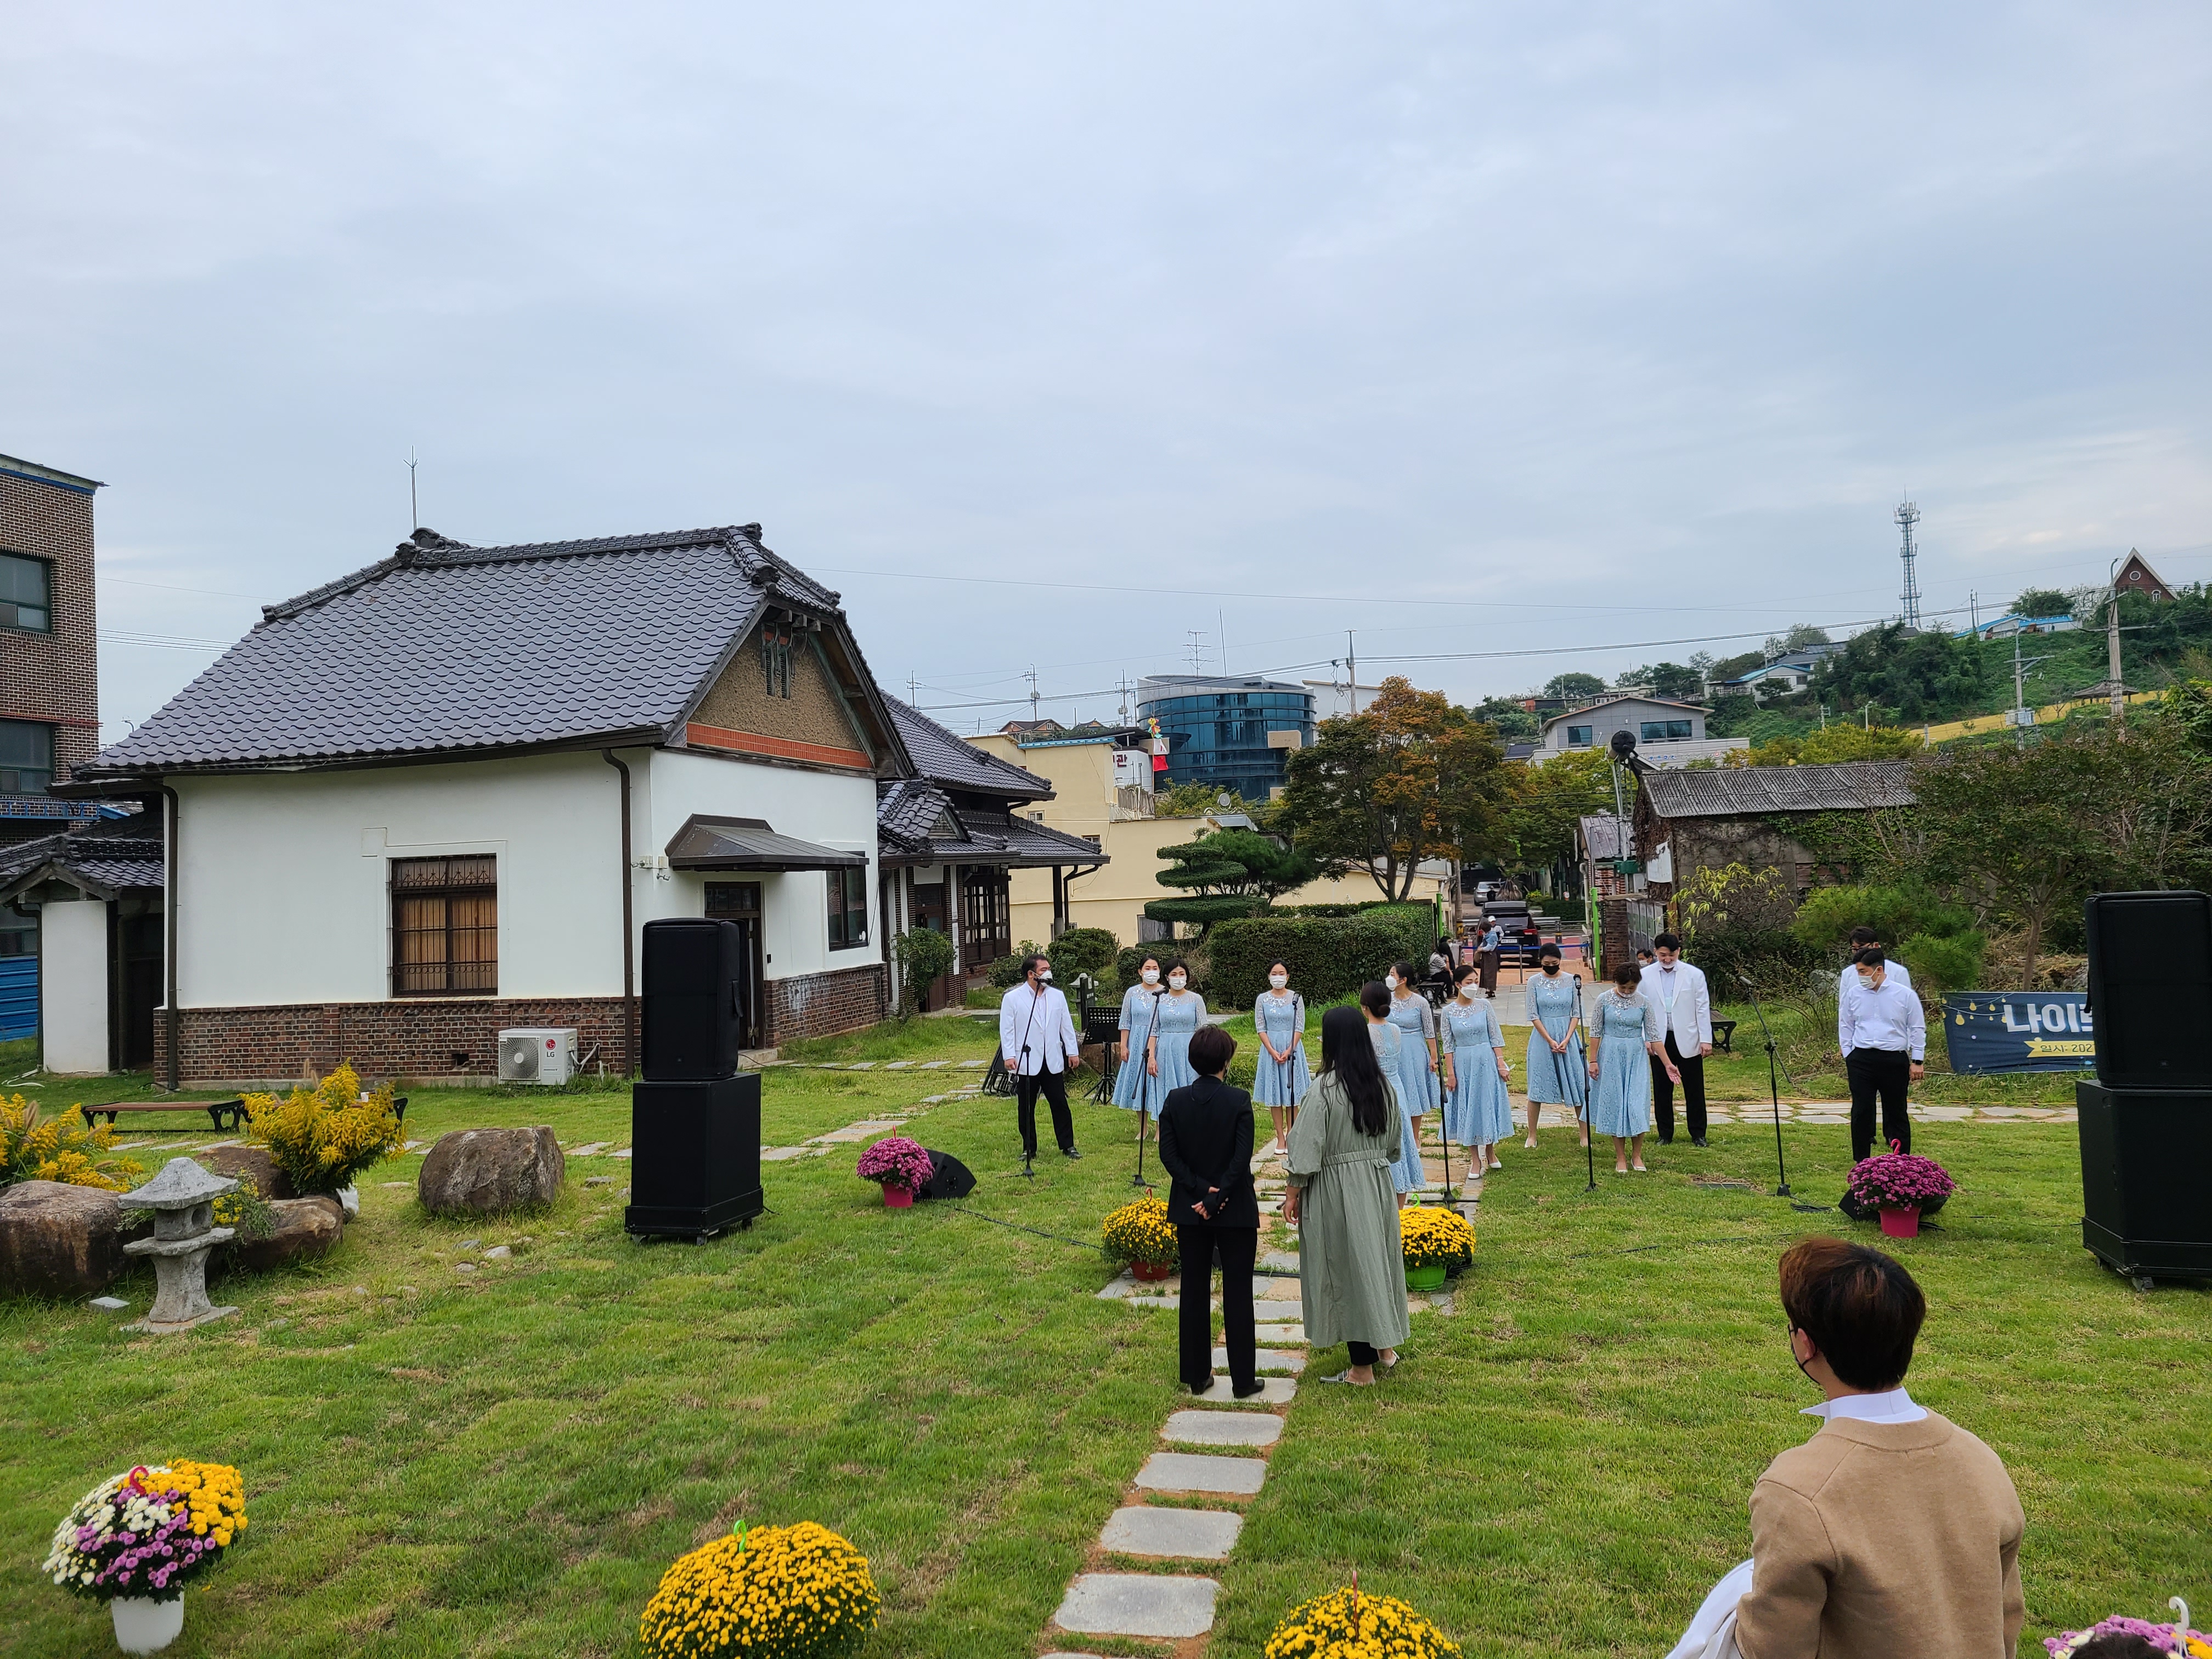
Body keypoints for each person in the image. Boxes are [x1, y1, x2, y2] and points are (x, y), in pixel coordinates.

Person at [1727, 1237, 2025, 1658]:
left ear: (1805, 1344)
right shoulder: (1981, 1460)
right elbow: (2006, 1618)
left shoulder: (1800, 1489)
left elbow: (1773, 1647)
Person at [1283, 1006, 1410, 1387]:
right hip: (1377, 1184)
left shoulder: (1324, 1089)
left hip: (1337, 1188)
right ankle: (1385, 1348)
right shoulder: (1382, 1085)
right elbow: (1394, 1145)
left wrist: (1292, 1193)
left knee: (1348, 1268)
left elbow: (1306, 1149)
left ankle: (1361, 1370)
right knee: (1376, 1263)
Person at [1157, 1024, 1263, 1399]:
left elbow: (1169, 1155)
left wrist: (1200, 1191)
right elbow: (1242, 1156)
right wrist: (1218, 1195)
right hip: (1235, 1209)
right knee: (1238, 1290)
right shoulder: (1238, 1100)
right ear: (1226, 1061)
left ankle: (1197, 1375)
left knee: (1194, 1288)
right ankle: (1243, 1380)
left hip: (1190, 1208)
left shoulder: (1175, 1100)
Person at [1588, 960, 1675, 1173]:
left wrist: (1668, 1064)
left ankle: (1637, 1155)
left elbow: (1654, 1036)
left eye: (1632, 988)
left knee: (1636, 1105)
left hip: (1636, 1056)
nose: (1627, 992)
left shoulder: (1644, 1002)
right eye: (1623, 987)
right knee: (1617, 1105)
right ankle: (1620, 1157)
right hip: (1611, 1055)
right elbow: (1595, 1032)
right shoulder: (1603, 1000)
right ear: (1616, 983)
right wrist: (1593, 1060)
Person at [1838, 948, 1923, 1164]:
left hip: (1893, 1058)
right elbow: (1846, 1024)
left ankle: (1900, 1160)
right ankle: (1861, 1161)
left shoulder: (1905, 995)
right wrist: (1848, 1053)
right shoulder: (1853, 994)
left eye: (1864, 972)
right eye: (1858, 972)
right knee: (1861, 1110)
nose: (1860, 977)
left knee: (1896, 1111)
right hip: (1861, 1058)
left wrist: (1917, 1060)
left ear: (1878, 970)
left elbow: (1917, 1027)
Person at [998, 952, 1082, 1161]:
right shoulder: (1013, 998)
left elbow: (1066, 1026)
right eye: (1044, 970)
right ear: (1031, 974)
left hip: (1052, 1059)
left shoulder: (1057, 996)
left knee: (1060, 1104)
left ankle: (1068, 1145)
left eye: (1048, 969)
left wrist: (1072, 1052)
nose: (1048, 973)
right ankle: (1029, 1148)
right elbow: (1007, 1030)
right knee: (1026, 1107)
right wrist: (1009, 1056)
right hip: (1026, 1060)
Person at [1640, 932, 1714, 1147]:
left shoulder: (1694, 975)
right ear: (1655, 952)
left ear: (1679, 952)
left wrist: (1706, 1039)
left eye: (1672, 955)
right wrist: (1645, 1038)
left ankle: (1698, 1134)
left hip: (1688, 1037)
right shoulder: (1645, 976)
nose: (1667, 959)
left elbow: (1702, 1008)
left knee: (1694, 1088)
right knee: (1662, 1089)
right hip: (1658, 1040)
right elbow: (1641, 1008)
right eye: (1663, 955)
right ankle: (1665, 1134)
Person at [1440, 963, 1513, 1172]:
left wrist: (1501, 1062)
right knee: (1469, 1105)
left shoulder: (1484, 1006)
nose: (1473, 986)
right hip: (1464, 1062)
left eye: (1475, 981)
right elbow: (1448, 1044)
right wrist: (1451, 1074)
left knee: (1487, 1102)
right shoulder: (1448, 1012)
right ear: (1458, 985)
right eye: (1468, 982)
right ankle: (1475, 1159)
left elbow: (1495, 1036)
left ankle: (1490, 1150)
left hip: (1486, 1059)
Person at [1523, 944, 1588, 1150]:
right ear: (1541, 962)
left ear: (1560, 960)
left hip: (1568, 1037)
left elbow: (1576, 1013)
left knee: (1578, 1084)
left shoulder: (1572, 981)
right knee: (1536, 1086)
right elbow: (1533, 1014)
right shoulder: (1534, 982)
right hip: (1543, 1038)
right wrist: (1549, 1040)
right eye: (1546, 963)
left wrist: (1567, 1038)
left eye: (1554, 963)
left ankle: (1585, 1135)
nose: (1551, 966)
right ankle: (1532, 1135)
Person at [1358, 981, 1419, 1200]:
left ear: (1364, 1007)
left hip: (1374, 1091)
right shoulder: (1396, 1029)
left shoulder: (1364, 1033)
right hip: (1396, 1089)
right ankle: (1400, 1206)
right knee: (1400, 1143)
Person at [1384, 963, 1440, 1196]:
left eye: (1393, 974)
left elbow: (1430, 1031)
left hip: (1414, 1048)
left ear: (1403, 979)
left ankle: (1415, 1136)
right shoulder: (1387, 1000)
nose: (1389, 977)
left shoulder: (1420, 1002)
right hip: (1393, 1049)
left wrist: (1434, 1057)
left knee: (1413, 1091)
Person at [1251, 961, 1310, 1154]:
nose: (1278, 977)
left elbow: (1300, 1025)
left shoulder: (1296, 998)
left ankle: (1292, 1135)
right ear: (1269, 977)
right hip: (1271, 1049)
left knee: (1293, 1095)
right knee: (1275, 1094)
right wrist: (1271, 1050)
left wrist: (1290, 1049)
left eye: (1282, 973)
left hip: (1292, 1048)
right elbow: (1261, 1027)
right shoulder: (1262, 999)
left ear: (1288, 976)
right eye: (1274, 973)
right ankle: (1280, 1137)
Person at [1111, 956, 1165, 1118]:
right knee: (1138, 1080)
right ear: (1140, 972)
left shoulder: (1165, 992)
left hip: (1158, 1042)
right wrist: (1123, 1046)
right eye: (1148, 969)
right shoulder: (1132, 993)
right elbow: (1125, 1021)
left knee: (1157, 1083)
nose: (1151, 972)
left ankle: (1160, 1127)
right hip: (1136, 1042)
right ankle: (1143, 1126)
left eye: (1155, 968)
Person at [1146, 959, 1207, 1099]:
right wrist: (1151, 1058)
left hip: (1190, 1050)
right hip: (1165, 1052)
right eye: (1174, 975)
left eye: (1182, 974)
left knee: (1190, 1091)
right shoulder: (1159, 999)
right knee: (1166, 1092)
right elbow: (1153, 1032)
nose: (1178, 978)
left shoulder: (1196, 999)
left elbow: (1203, 1031)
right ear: (1167, 978)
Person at [1478, 917, 1505, 996]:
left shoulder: (1492, 936)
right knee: (1485, 973)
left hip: (1490, 956)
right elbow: (1484, 943)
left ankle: (1491, 990)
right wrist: (1481, 947)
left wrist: (1481, 950)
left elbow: (1489, 948)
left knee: (1490, 973)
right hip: (1486, 957)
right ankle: (1487, 989)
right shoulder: (1487, 935)